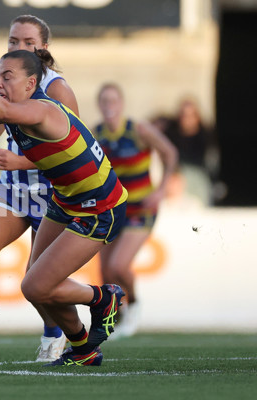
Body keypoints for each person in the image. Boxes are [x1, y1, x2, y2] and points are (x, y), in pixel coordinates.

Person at [0, 48, 127, 366]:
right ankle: (84, 350)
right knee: (39, 287)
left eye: (7, 77)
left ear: (31, 82)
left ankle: (104, 297)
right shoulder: (10, 109)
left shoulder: (42, 109)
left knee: (35, 286)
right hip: (65, 199)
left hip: (99, 206)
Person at [0, 15, 78, 362]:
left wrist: (22, 162)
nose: (19, 48)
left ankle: (55, 335)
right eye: (13, 41)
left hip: (52, 192)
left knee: (37, 281)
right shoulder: (6, 78)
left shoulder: (56, 89)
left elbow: (74, 150)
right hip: (13, 189)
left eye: (27, 42)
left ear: (43, 49)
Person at [94, 82, 178, 339]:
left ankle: (134, 306)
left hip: (141, 207)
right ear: (99, 105)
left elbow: (170, 153)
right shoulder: (96, 133)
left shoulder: (138, 129)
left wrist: (162, 188)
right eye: (104, 101)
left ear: (121, 104)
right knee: (106, 272)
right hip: (113, 209)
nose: (109, 106)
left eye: (113, 101)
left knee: (120, 265)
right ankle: (116, 320)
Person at [162, 96, 217, 205]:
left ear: (197, 117)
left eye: (190, 115)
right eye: (183, 115)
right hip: (175, 178)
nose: (186, 119)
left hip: (198, 179)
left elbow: (210, 165)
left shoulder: (205, 137)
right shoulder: (171, 134)